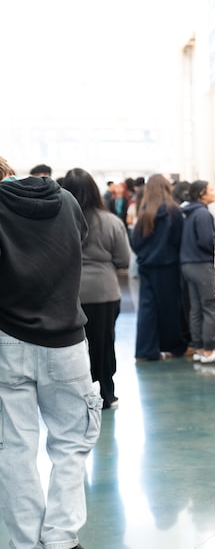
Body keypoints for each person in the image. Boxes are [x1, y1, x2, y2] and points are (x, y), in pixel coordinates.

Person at [0, 157, 102, 549]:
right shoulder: (67, 201)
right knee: (72, 443)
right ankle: (61, 538)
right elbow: (79, 239)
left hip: (8, 341)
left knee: (14, 449)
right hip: (67, 341)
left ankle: (26, 541)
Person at [63, 168, 131, 410]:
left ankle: (77, 394)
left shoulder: (59, 221)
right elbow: (124, 259)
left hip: (69, 291)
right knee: (104, 343)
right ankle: (105, 393)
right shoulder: (110, 220)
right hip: (104, 290)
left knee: (73, 346)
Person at [130, 174, 191, 361]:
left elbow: (135, 241)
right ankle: (175, 347)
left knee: (147, 308)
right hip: (168, 266)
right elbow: (179, 238)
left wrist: (145, 255)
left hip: (146, 265)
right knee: (170, 309)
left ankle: (145, 350)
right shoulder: (173, 211)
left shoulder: (144, 211)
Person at [181, 180, 215, 364]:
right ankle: (208, 350)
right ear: (201, 193)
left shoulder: (190, 212)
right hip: (201, 264)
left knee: (196, 308)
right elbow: (207, 241)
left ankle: (199, 347)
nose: (214, 192)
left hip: (187, 264)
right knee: (209, 307)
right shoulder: (202, 213)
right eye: (210, 190)